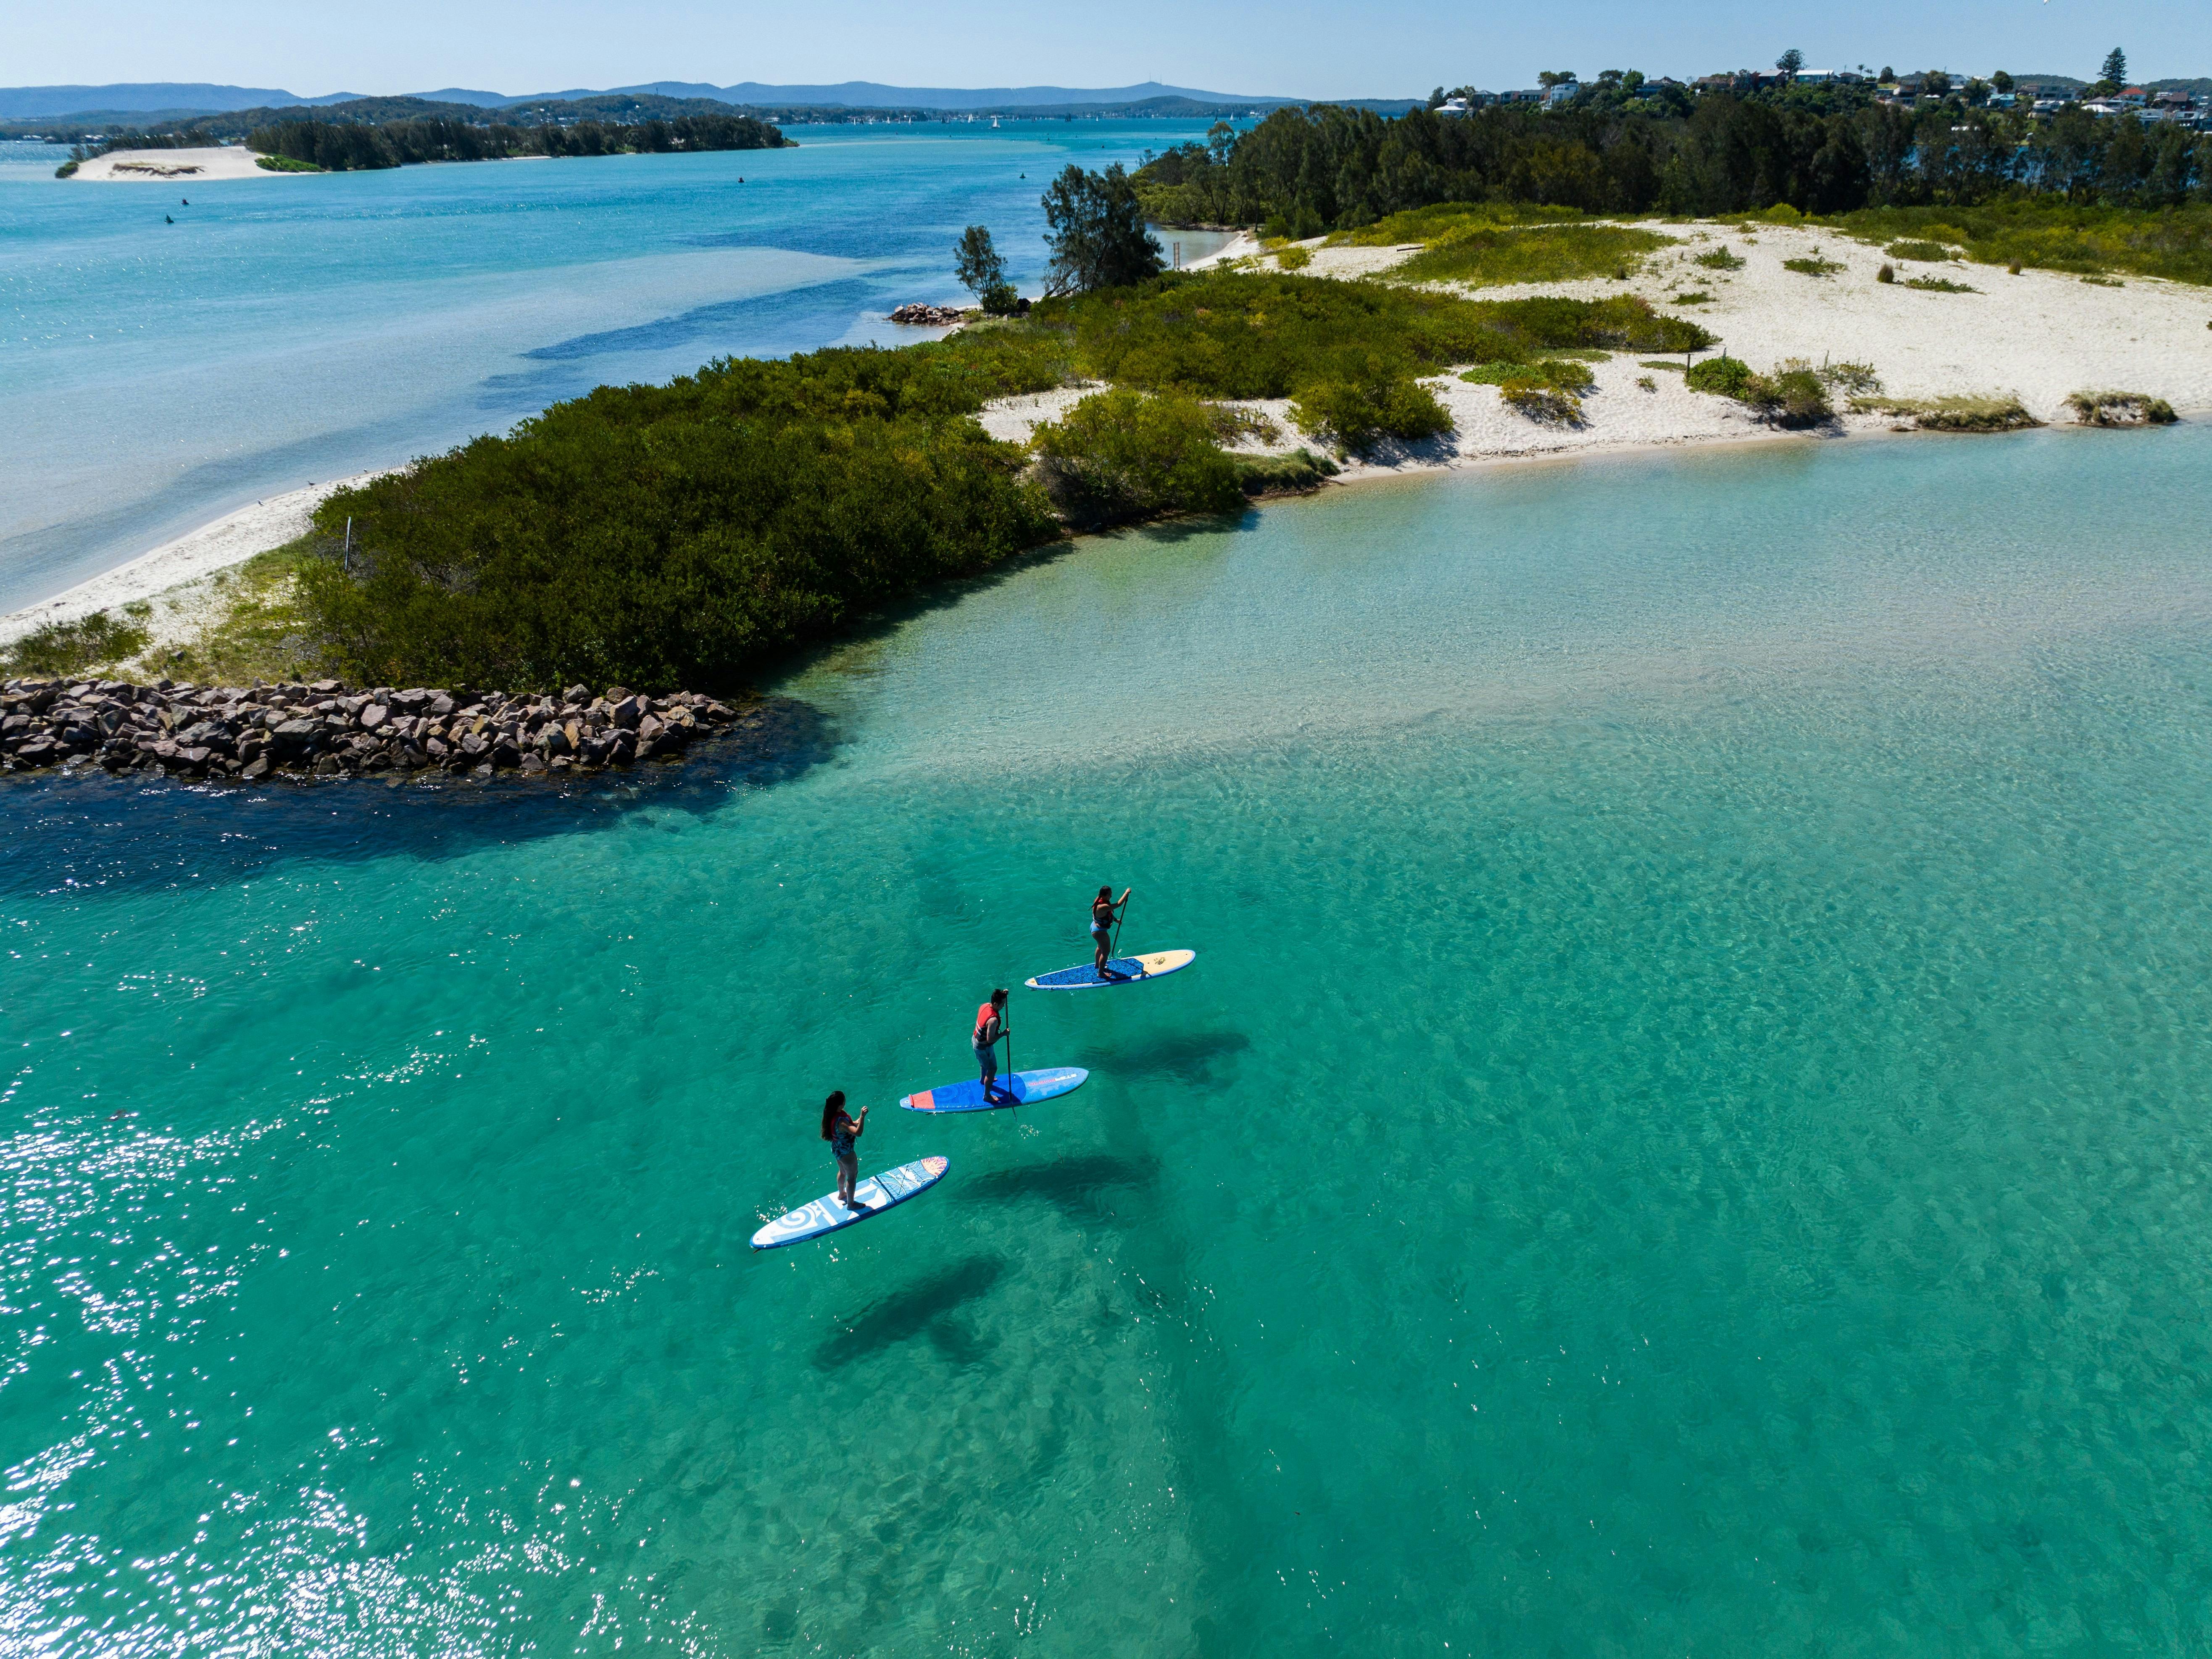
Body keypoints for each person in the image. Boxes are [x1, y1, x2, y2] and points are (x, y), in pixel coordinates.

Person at [820, 1090, 870, 1210]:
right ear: (840, 1105)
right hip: (846, 1153)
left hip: (836, 1149)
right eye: (844, 1101)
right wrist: (863, 1117)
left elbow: (850, 1125)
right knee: (852, 1177)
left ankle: (842, 1194)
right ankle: (851, 1204)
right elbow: (858, 1133)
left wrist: (857, 1121)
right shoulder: (842, 1122)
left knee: (843, 1172)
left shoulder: (832, 1114)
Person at [973, 989, 1009, 1099]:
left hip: (976, 1042)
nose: (1004, 1006)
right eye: (1002, 1004)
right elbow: (990, 1040)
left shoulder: (985, 1006)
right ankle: (987, 1096)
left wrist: (1003, 995)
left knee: (984, 1064)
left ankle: (983, 1080)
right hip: (984, 1047)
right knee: (992, 1069)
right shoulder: (993, 1020)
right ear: (996, 1004)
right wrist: (1003, 1034)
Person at [1091, 885, 1130, 978]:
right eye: (1109, 895)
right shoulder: (1103, 906)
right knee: (1106, 952)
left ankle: (1097, 965)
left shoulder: (1099, 900)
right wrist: (1126, 893)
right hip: (1099, 932)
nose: (1111, 896)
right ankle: (1101, 973)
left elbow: (1107, 913)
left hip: (1095, 927)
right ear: (1103, 896)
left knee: (1100, 947)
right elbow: (1119, 904)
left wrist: (1115, 920)